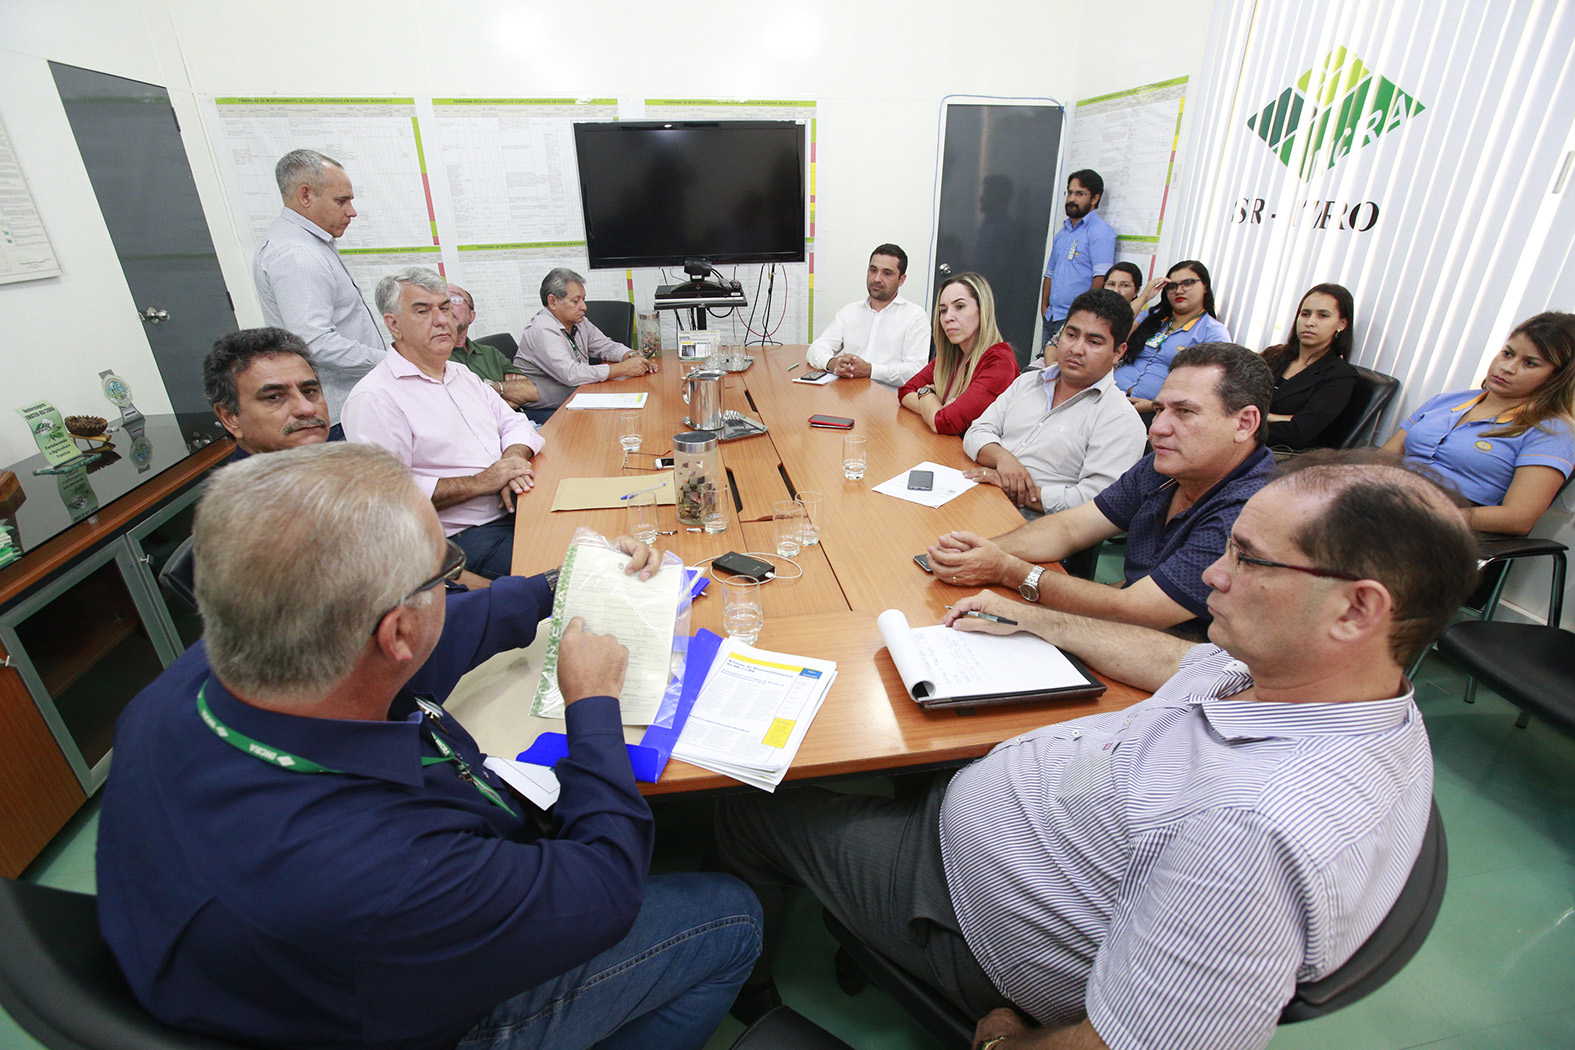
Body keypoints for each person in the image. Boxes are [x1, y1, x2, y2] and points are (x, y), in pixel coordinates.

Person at [717, 450, 1479, 1050]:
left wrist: (1009, 1042)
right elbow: (1179, 663)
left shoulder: (1252, 833)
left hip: (958, 910)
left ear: (1355, 608)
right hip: (1023, 834)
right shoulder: (1322, 678)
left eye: (1247, 558)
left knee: (742, 809)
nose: (1213, 572)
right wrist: (1035, 619)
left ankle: (742, 982)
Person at [97, 442, 762, 1050]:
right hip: (414, 1022)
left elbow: (424, 646)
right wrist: (592, 705)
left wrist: (552, 589)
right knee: (728, 917)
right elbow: (608, 888)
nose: (451, 580)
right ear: (395, 630)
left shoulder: (204, 679)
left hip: (288, 974)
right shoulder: (385, 871)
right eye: (445, 568)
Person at [930, 343, 1275, 633]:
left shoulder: (1251, 509)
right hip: (1129, 628)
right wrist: (982, 552)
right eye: (1159, 409)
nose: (1157, 429)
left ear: (1244, 423)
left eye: (1184, 412)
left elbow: (1140, 610)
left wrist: (1006, 569)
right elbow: (1072, 526)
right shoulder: (1168, 466)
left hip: (1182, 662)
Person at [343, 267, 545, 579]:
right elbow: (388, 495)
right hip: (462, 538)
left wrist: (512, 462)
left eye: (445, 308)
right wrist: (484, 481)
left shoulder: (460, 374)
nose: (441, 320)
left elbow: (515, 423)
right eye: (422, 311)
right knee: (575, 571)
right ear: (393, 324)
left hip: (517, 503)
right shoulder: (375, 397)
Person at [1381, 311, 1575, 535]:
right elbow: (1383, 458)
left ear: (1557, 378)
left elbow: (1519, 518)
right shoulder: (1446, 401)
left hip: (1442, 528)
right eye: (1507, 353)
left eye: (1530, 363)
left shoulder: (1551, 431)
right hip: (1389, 502)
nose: (1507, 367)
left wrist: (1430, 513)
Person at [962, 290, 1146, 519]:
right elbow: (977, 430)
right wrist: (1002, 458)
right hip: (981, 496)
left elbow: (1095, 503)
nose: (1076, 349)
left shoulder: (1120, 419)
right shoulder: (1028, 381)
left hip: (1035, 525)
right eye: (1071, 334)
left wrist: (1016, 489)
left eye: (1094, 341)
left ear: (1118, 352)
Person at [252, 149, 385, 424]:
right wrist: (390, 362)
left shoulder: (305, 243)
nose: (352, 211)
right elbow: (315, 343)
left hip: (351, 404)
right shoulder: (297, 254)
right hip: (341, 413)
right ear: (305, 195)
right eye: (342, 201)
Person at [514, 267, 653, 423]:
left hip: (580, 397)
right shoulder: (541, 330)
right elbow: (571, 374)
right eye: (575, 301)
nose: (584, 307)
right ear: (552, 301)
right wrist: (622, 368)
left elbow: (606, 346)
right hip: (547, 410)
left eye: (583, 300)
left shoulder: (579, 322)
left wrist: (632, 355)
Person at [898, 273, 1020, 435]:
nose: (948, 317)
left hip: (976, 457)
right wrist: (936, 408)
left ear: (982, 309)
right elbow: (905, 390)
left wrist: (926, 393)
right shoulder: (955, 354)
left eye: (960, 306)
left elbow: (943, 423)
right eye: (943, 310)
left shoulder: (999, 362)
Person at [1113, 259, 1231, 413]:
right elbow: (1116, 331)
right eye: (1172, 286)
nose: (1179, 291)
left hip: (1160, 411)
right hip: (1112, 395)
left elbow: (1209, 386)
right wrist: (1144, 298)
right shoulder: (1153, 317)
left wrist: (1155, 405)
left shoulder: (1212, 331)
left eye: (1188, 283)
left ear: (1205, 287)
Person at [805, 243, 930, 386]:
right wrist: (831, 362)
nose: (877, 278)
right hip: (849, 395)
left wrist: (871, 370)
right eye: (873, 270)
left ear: (901, 280)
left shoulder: (915, 316)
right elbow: (816, 348)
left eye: (887, 273)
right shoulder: (849, 312)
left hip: (889, 401)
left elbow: (915, 371)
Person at [202, 327, 331, 462]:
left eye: (309, 391)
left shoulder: (345, 469)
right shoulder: (245, 483)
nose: (307, 408)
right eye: (274, 397)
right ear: (229, 418)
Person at [1262, 283, 1360, 451]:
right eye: (1305, 314)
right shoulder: (1273, 355)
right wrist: (1280, 418)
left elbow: (1299, 432)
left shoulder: (1340, 375)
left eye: (1323, 316)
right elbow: (1232, 399)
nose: (1310, 322)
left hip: (1278, 454)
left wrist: (1252, 421)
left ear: (1341, 324)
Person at [1040, 170, 1117, 347]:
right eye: (1070, 192)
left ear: (1095, 199)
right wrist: (1044, 308)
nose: (1072, 199)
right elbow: (1050, 273)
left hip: (1075, 322)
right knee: (1043, 370)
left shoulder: (1100, 232)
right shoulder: (1063, 232)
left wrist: (1082, 315)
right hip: (1052, 316)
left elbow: (1101, 278)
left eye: (1080, 194)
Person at [447, 282, 541, 410]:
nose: (447, 305)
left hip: (519, 423)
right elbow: (465, 409)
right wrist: (504, 391)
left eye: (455, 299)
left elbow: (531, 392)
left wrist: (490, 386)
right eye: (443, 301)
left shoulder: (490, 352)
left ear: (471, 316)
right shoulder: (435, 359)